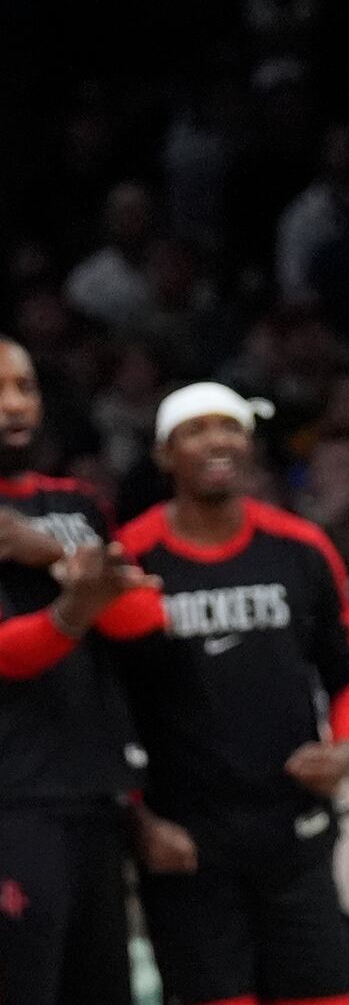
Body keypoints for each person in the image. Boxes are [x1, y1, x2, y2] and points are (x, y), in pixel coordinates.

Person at [116, 381, 349, 1005]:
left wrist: (346, 750)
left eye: (228, 427)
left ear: (249, 443)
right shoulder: (130, 558)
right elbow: (107, 706)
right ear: (163, 454)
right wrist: (138, 818)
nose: (216, 442)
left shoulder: (301, 549)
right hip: (186, 846)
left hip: (295, 830)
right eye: (195, 431)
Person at [0, 336, 165, 1005]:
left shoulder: (79, 503)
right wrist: (80, 599)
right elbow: (8, 651)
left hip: (92, 791)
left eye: (26, 386)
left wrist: (51, 556)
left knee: (103, 988)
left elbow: (143, 618)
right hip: (11, 801)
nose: (15, 404)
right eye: (0, 388)